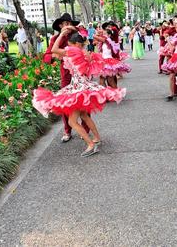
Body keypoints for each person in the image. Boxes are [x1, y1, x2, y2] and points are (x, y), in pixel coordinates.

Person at [33, 32, 126, 157]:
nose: (68, 46)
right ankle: (97, 138)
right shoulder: (85, 52)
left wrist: (61, 34)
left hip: (78, 89)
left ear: (76, 44)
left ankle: (91, 145)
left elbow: (53, 50)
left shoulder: (73, 51)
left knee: (72, 122)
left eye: (70, 44)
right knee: (84, 116)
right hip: (82, 86)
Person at [44, 13, 90, 143]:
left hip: (80, 74)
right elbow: (47, 56)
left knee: (83, 102)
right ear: (60, 25)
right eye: (65, 24)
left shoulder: (78, 35)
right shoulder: (55, 39)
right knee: (65, 103)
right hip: (66, 74)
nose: (68, 26)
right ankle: (67, 130)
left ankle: (86, 130)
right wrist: (55, 55)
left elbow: (85, 38)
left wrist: (76, 30)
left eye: (70, 23)